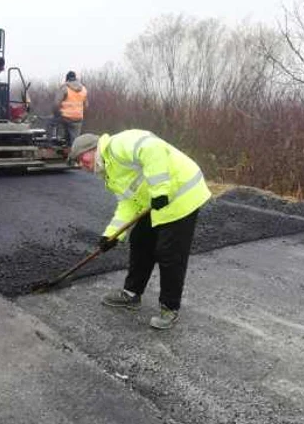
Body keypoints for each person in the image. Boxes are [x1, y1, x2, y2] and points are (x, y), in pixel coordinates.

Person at [69, 130, 211, 329]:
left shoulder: (118, 146)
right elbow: (128, 204)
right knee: (140, 241)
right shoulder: (109, 172)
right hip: (156, 201)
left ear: (93, 150)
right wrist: (111, 235)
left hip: (181, 193)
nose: (80, 164)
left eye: (80, 158)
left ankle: (169, 307)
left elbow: (153, 148)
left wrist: (160, 189)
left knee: (169, 252)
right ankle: (132, 294)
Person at [54, 71, 88, 145]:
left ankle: (66, 147)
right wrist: (80, 113)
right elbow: (86, 105)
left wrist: (56, 113)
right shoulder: (83, 89)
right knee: (75, 138)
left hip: (65, 117)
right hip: (78, 118)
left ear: (67, 79)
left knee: (61, 133)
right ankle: (73, 150)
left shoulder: (64, 88)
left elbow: (56, 103)